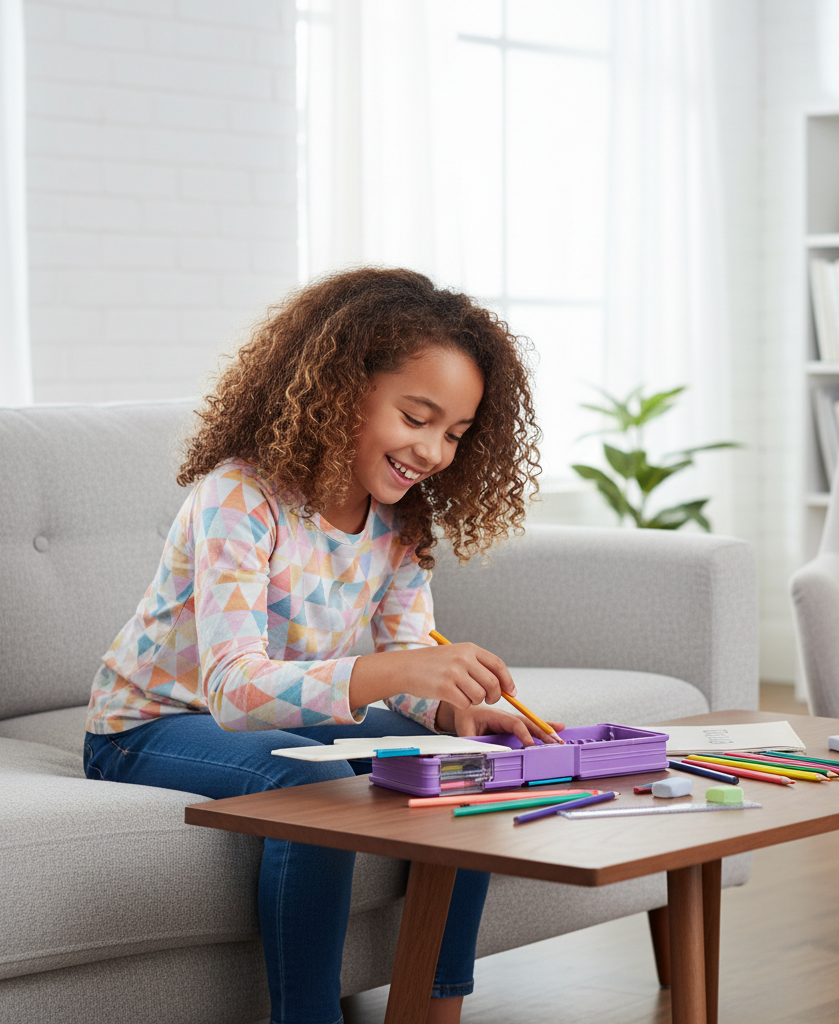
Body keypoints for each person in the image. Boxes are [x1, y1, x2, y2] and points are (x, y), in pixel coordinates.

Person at [82, 267, 560, 1024]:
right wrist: (401, 668)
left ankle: (433, 1011)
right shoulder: (240, 497)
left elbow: (404, 667)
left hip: (291, 719)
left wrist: (444, 712)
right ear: (344, 387)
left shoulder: (399, 521)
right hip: (149, 726)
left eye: (455, 434)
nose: (433, 450)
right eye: (416, 416)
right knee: (316, 788)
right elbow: (237, 692)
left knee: (467, 768)